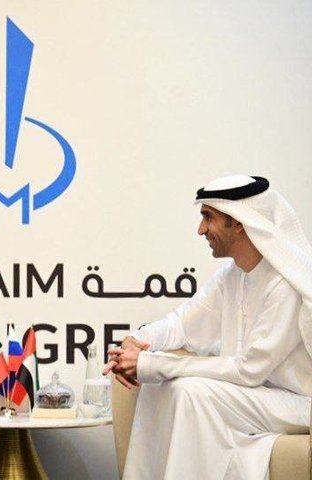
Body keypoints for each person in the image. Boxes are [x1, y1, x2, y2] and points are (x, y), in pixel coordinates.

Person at [103, 175, 312, 479]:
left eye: (208, 217)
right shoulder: (232, 275)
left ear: (238, 222)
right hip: (251, 397)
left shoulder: (284, 284)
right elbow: (181, 324)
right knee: (159, 387)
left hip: (296, 404)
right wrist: (135, 341)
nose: (201, 230)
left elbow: (249, 371)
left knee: (190, 392)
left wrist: (152, 364)